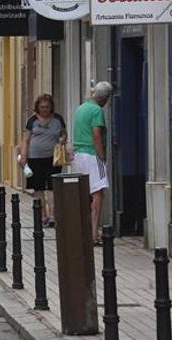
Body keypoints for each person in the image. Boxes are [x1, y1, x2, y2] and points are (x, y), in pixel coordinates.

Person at [71, 82, 113, 246]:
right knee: (98, 194)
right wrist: (102, 155)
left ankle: (85, 231)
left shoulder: (81, 108)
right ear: (105, 99)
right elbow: (96, 134)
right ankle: (93, 233)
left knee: (84, 194)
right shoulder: (97, 110)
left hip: (79, 155)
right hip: (92, 155)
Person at [18, 94, 68, 227]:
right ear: (37, 107)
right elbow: (26, 140)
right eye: (42, 107)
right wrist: (23, 156)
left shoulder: (58, 119)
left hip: (53, 158)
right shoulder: (32, 121)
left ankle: (53, 216)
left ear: (51, 106)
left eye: (47, 107)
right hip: (34, 158)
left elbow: (64, 134)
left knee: (52, 187)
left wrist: (63, 139)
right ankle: (42, 216)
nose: (44, 109)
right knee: (38, 188)